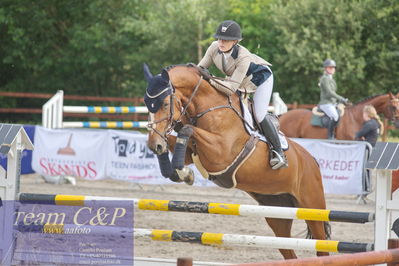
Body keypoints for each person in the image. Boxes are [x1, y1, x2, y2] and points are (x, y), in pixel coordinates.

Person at [197, 20, 287, 170]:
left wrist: (210, 79)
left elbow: (231, 88)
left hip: (260, 79)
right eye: (219, 38)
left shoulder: (243, 57)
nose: (221, 42)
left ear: (235, 41)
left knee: (259, 114)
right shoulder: (213, 47)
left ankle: (278, 152)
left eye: (225, 39)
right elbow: (200, 68)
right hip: (238, 80)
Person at [318, 59, 349, 139]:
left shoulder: (332, 79)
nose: (332, 69)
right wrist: (341, 98)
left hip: (332, 103)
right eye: (330, 67)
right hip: (326, 103)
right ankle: (330, 135)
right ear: (325, 68)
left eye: (333, 67)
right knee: (335, 116)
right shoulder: (324, 78)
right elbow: (329, 92)